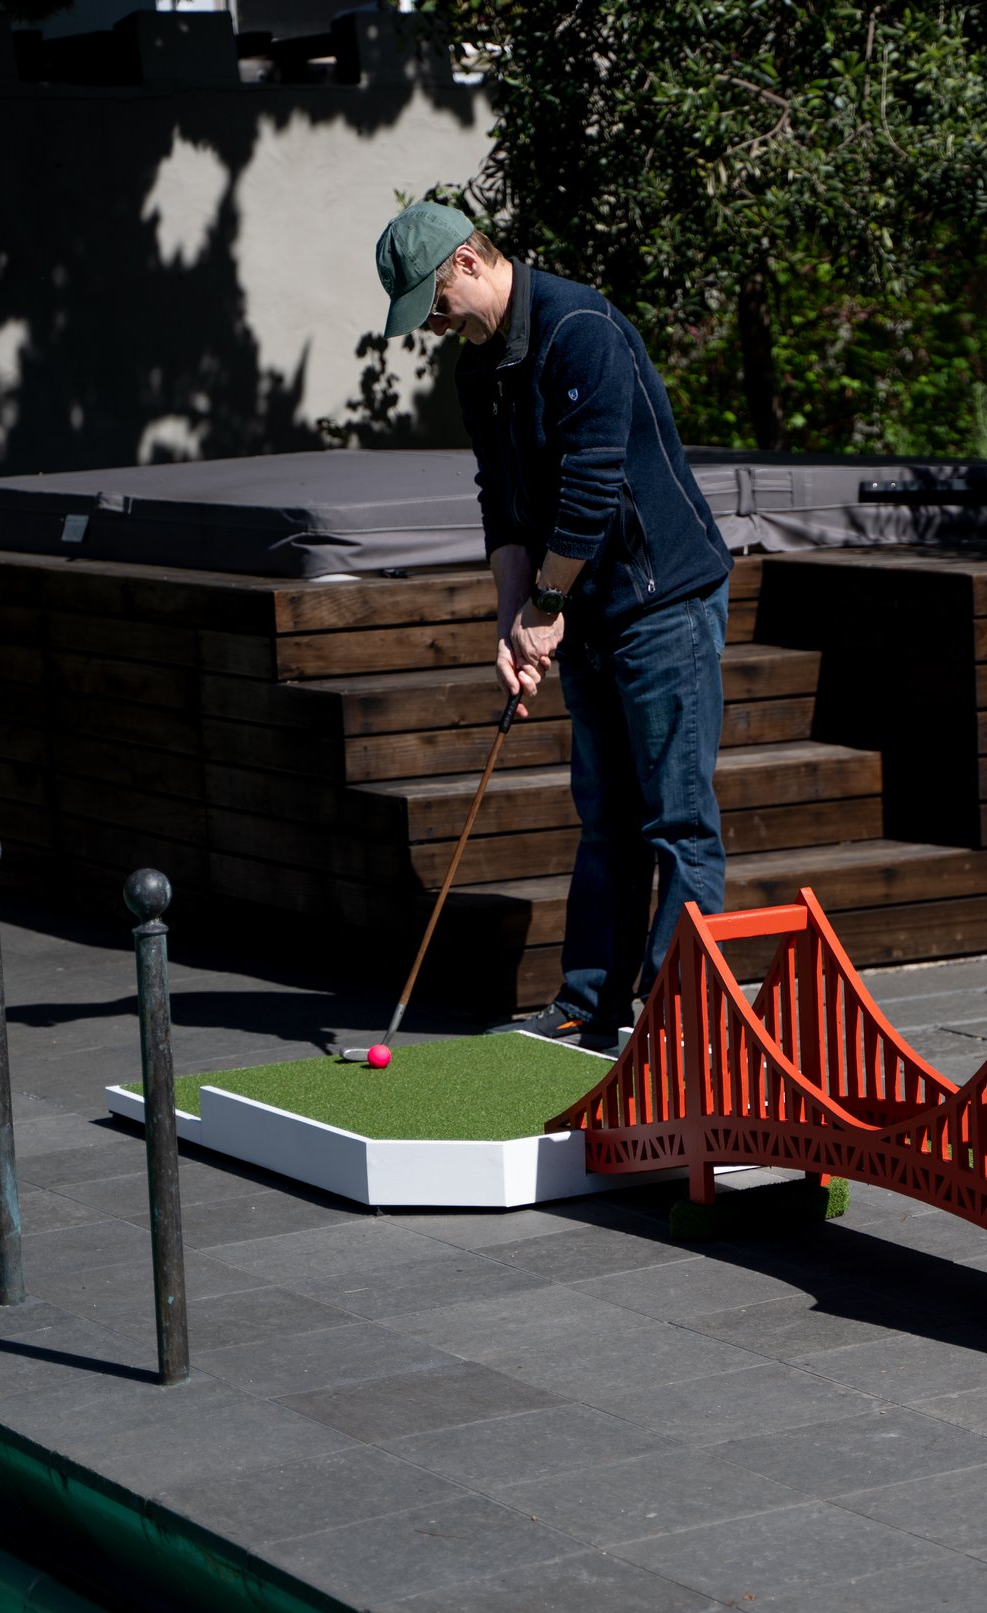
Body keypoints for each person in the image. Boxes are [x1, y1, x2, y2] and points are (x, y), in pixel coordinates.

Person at [374, 201, 732, 1046]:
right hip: (583, 608)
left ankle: (679, 1017)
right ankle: (590, 1002)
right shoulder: (476, 367)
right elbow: (503, 502)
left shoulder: (581, 328)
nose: (432, 324)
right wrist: (510, 622)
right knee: (605, 812)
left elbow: (592, 487)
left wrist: (546, 606)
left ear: (467, 262)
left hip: (662, 599)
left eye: (432, 303)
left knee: (675, 817)